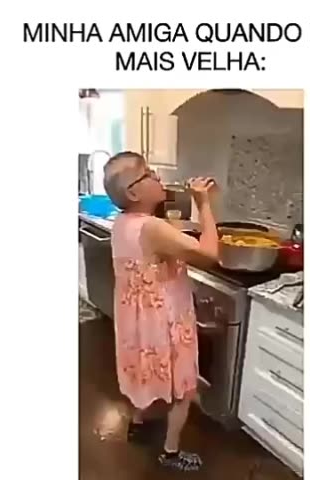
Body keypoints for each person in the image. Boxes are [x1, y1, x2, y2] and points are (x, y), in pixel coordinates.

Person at [102, 151, 218, 472]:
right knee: (183, 386)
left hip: (136, 322)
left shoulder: (123, 222)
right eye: (149, 173)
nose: (157, 176)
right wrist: (203, 203)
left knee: (143, 369)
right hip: (165, 320)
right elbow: (209, 254)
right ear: (133, 192)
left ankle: (138, 422)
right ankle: (170, 452)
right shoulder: (151, 227)